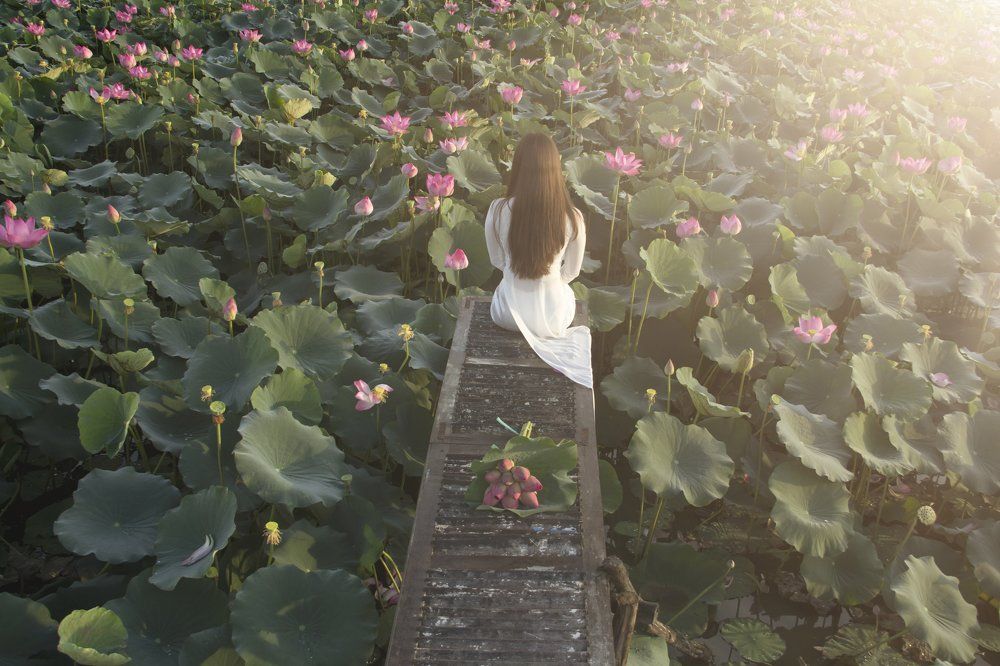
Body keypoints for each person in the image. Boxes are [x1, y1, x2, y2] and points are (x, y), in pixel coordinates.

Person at [484, 133, 593, 388]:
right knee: (564, 291)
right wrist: (550, 278)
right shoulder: (572, 216)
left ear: (518, 167)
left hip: (506, 314)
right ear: (556, 169)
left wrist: (516, 274)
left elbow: (497, 261)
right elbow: (573, 271)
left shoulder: (498, 209)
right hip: (554, 318)